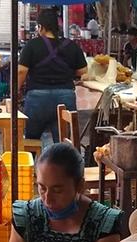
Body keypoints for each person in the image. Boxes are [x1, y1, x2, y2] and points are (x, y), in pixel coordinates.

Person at [18, 9, 88, 143]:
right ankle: (64, 163)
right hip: (65, 97)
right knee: (64, 143)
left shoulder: (32, 45)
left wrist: (15, 92)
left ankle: (30, 163)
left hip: (37, 99)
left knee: (31, 142)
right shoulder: (71, 45)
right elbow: (83, 71)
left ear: (41, 27)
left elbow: (21, 71)